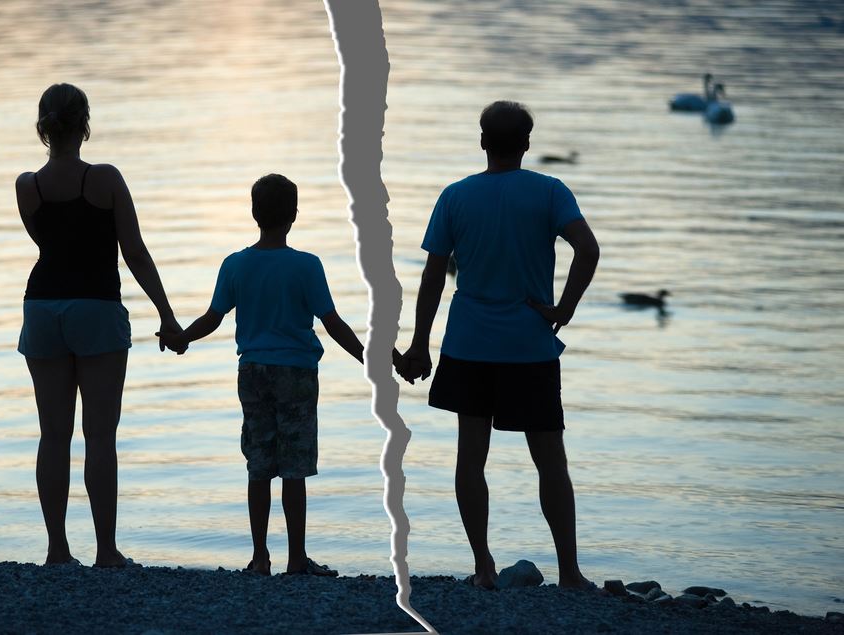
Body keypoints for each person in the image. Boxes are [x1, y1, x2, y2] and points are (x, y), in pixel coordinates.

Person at [396, 101, 600, 590]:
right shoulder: (549, 191)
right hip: (529, 345)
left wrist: (420, 343)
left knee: (471, 458)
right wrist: (564, 309)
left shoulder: (456, 196)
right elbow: (588, 250)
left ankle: (483, 568)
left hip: (469, 345)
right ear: (526, 143)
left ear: (482, 142)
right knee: (550, 459)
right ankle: (569, 572)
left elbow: (432, 277)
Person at [158, 174, 380, 576]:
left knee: (259, 465)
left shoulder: (236, 265)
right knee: (294, 469)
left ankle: (260, 557)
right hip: (296, 372)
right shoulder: (306, 266)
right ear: (294, 215)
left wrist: (182, 338)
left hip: (253, 371)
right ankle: (296, 559)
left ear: (254, 213)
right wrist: (372, 359)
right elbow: (333, 323)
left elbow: (212, 318)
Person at [15, 83, 185, 567]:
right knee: (100, 435)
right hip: (96, 307)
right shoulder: (105, 179)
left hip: (43, 307)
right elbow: (133, 252)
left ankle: (56, 550)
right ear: (85, 124)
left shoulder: (27, 186)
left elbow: (47, 243)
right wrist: (167, 316)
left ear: (43, 127)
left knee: (53, 435)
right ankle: (106, 551)